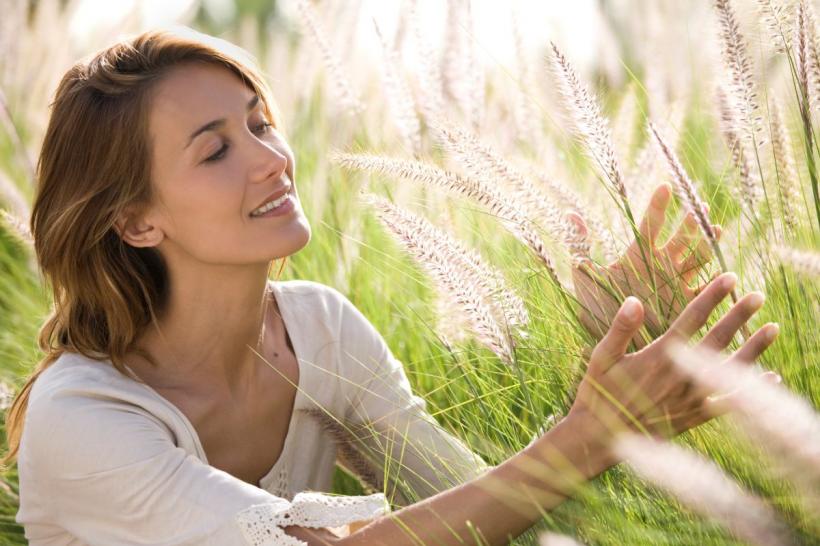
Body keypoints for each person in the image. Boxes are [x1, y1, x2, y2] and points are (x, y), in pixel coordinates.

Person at [1, 27, 778, 546]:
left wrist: (590, 359)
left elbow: (468, 506)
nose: (272, 159)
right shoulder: (84, 418)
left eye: (259, 123)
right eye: (215, 152)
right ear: (136, 222)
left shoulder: (320, 331)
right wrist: (593, 431)